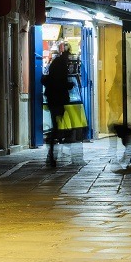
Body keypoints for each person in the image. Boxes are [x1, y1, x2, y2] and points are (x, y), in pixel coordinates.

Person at [42, 40, 72, 168]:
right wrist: (69, 85)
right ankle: (52, 153)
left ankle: (52, 154)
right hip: (58, 100)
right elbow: (61, 84)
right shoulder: (61, 68)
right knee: (58, 127)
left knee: (57, 125)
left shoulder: (55, 67)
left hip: (53, 100)